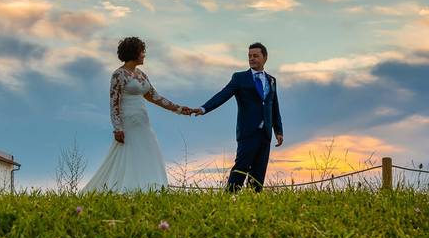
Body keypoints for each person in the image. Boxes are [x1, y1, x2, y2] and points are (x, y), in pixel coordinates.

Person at [82, 37, 194, 192]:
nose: (144, 55)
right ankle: (127, 188)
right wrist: (117, 128)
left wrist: (180, 109)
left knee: (147, 151)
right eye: (142, 51)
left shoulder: (141, 74)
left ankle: (149, 188)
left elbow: (155, 97)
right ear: (133, 52)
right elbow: (114, 102)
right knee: (129, 154)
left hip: (143, 120)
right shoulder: (118, 75)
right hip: (128, 121)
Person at [193, 42, 283, 192]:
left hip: (265, 133)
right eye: (249, 56)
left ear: (265, 57)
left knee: (259, 172)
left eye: (255, 56)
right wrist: (204, 108)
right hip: (248, 131)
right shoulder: (240, 78)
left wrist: (278, 131)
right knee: (241, 167)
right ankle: (229, 198)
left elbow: (274, 107)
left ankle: (254, 201)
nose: (252, 59)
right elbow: (223, 94)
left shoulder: (271, 80)